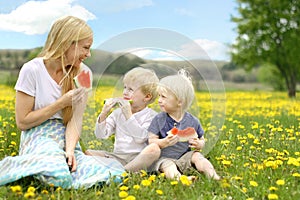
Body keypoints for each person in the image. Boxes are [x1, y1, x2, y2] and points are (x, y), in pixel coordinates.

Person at [0, 15, 124, 189]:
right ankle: (13, 167)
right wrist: (60, 104)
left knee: (113, 174)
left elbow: (75, 120)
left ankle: (58, 165)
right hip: (38, 136)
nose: (88, 54)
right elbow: (23, 122)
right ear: (67, 43)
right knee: (58, 175)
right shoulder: (32, 70)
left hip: (66, 137)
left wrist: (71, 151)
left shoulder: (84, 74)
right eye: (85, 48)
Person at [148, 69, 220, 180]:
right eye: (159, 96)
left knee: (198, 156)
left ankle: (213, 176)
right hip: (163, 158)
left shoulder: (193, 121)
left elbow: (202, 139)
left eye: (163, 97)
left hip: (185, 157)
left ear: (179, 102)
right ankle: (181, 180)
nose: (159, 100)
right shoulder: (158, 119)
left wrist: (199, 144)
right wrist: (163, 142)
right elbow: (151, 141)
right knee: (169, 166)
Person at [85, 67, 161, 172]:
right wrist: (103, 114)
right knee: (88, 152)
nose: (125, 92)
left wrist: (128, 116)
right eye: (125, 87)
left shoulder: (153, 117)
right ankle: (121, 169)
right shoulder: (118, 113)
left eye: (130, 89)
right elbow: (101, 135)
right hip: (118, 157)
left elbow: (140, 138)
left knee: (154, 150)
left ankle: (122, 172)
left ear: (147, 97)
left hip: (138, 158)